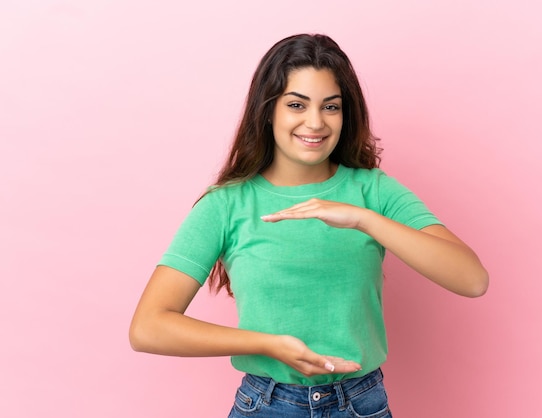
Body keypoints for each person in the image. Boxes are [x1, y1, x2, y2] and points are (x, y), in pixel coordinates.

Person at [129, 33, 488, 418]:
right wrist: (269, 345)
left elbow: (472, 279)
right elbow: (148, 327)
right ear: (268, 110)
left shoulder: (373, 190)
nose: (315, 122)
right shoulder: (226, 203)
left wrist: (362, 218)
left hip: (361, 403)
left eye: (330, 106)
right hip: (267, 405)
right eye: (296, 104)